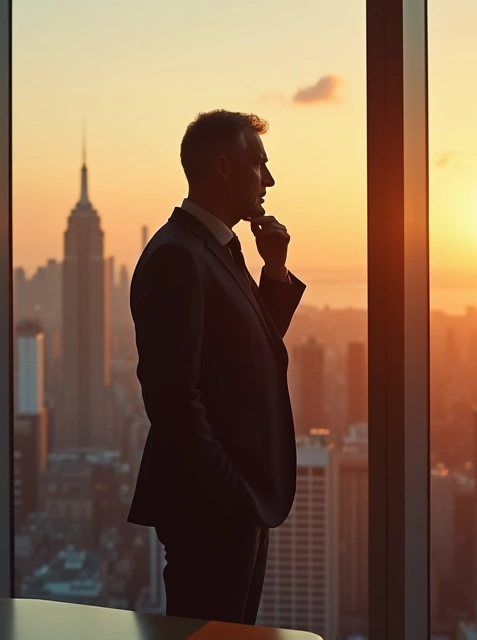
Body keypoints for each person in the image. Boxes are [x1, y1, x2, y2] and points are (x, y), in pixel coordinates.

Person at [126, 110, 305, 625]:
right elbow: (173, 400)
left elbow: (248, 352)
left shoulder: (214, 249)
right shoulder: (178, 257)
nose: (269, 180)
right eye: (259, 165)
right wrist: (231, 494)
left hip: (232, 505)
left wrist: (273, 268)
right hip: (212, 508)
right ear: (223, 168)